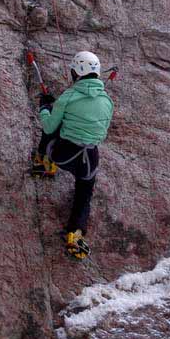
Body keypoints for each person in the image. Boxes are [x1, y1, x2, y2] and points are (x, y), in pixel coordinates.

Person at [31, 51, 114, 260]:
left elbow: (49, 127)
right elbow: (102, 133)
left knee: (51, 130)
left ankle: (45, 163)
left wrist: (44, 108)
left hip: (63, 154)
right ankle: (75, 234)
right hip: (90, 159)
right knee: (84, 194)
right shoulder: (107, 101)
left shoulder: (68, 97)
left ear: (76, 72)